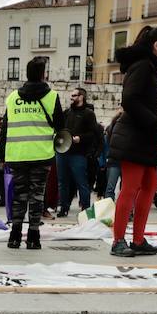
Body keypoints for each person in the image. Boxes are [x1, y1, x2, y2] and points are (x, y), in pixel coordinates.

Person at [108, 26, 157, 257]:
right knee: (130, 189)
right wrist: (152, 121)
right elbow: (130, 99)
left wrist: (154, 127)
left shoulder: (147, 67)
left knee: (150, 185)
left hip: (145, 136)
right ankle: (118, 241)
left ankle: (137, 239)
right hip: (134, 136)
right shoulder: (143, 66)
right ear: (156, 44)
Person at [0, 56, 62, 250]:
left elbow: (4, 128)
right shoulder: (52, 96)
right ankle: (34, 236)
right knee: (37, 195)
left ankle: (15, 236)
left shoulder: (12, 98)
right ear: (44, 75)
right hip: (41, 153)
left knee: (19, 195)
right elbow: (61, 126)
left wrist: (3, 155)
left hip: (17, 154)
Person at [58, 87, 98, 217]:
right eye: (71, 96)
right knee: (63, 182)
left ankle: (86, 208)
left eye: (74, 95)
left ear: (81, 97)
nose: (72, 98)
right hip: (63, 151)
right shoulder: (67, 113)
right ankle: (64, 207)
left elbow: (93, 133)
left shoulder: (88, 113)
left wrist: (80, 138)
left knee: (81, 181)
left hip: (78, 153)